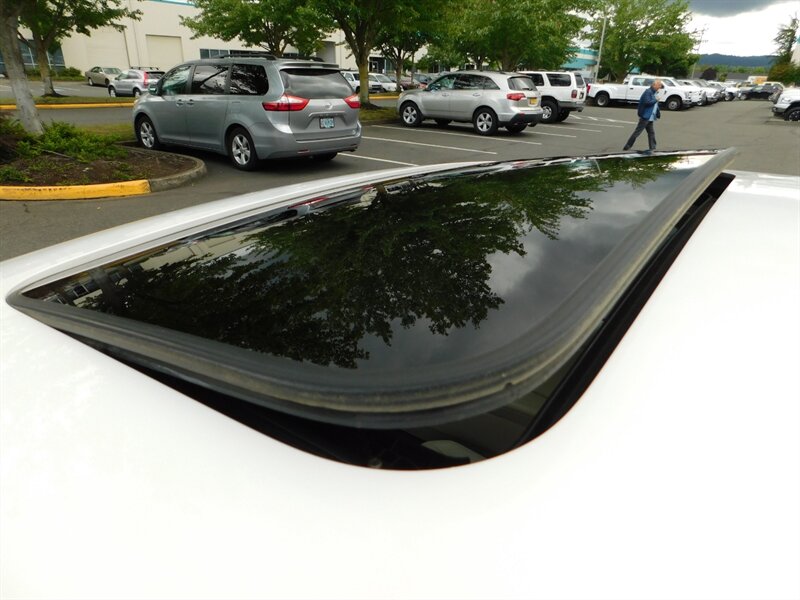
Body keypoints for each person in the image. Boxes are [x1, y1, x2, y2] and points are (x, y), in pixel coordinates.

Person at [623, 79, 664, 154]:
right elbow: (647, 103)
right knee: (637, 132)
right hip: (645, 116)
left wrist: (657, 112)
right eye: (659, 85)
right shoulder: (648, 92)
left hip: (650, 117)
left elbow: (655, 105)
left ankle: (653, 147)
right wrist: (656, 100)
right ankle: (627, 146)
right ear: (654, 85)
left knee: (651, 132)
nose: (660, 87)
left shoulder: (653, 92)